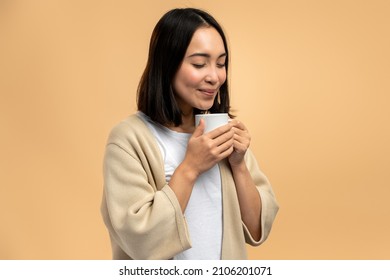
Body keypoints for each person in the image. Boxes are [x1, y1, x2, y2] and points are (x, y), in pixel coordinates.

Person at [100, 8, 279, 260]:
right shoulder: (129, 139)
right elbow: (140, 241)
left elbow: (257, 228)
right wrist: (191, 167)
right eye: (199, 64)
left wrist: (238, 166)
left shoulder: (222, 129)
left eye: (221, 63)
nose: (215, 77)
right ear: (167, 65)